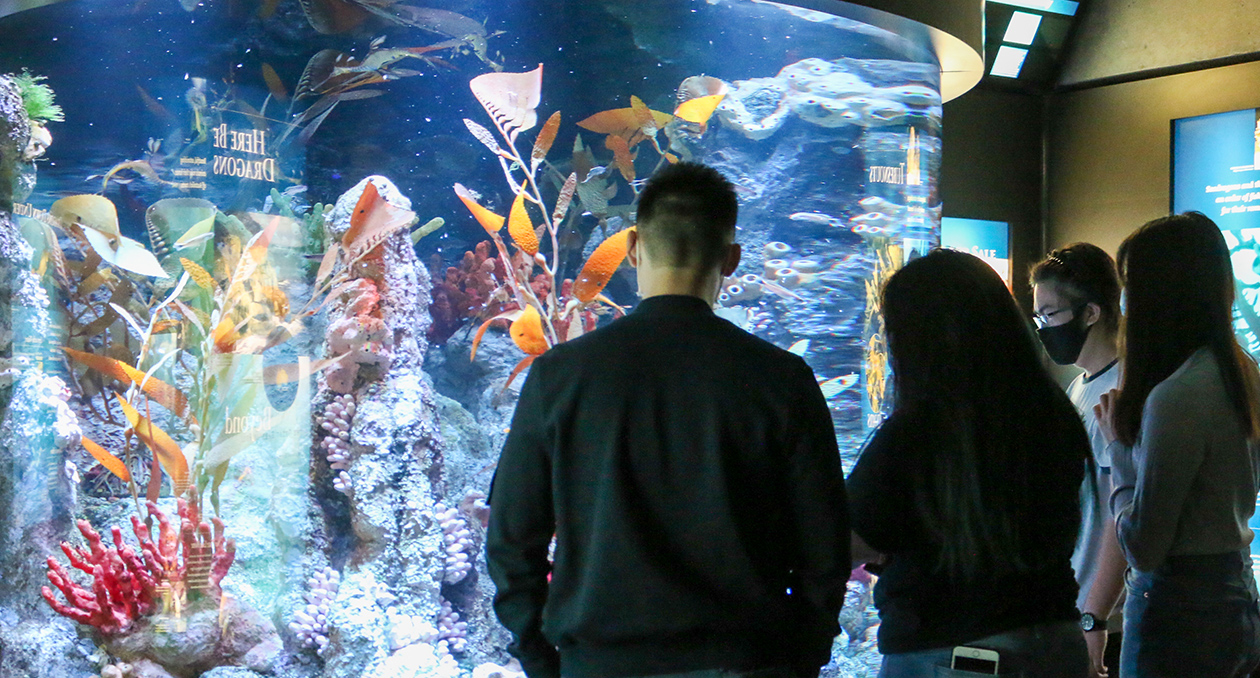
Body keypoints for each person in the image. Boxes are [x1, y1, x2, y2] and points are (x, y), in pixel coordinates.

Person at [486, 162, 850, 678]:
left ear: (632, 248)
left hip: (599, 663)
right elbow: (825, 550)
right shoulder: (782, 381)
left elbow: (510, 539)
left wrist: (541, 658)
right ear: (731, 260)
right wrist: (800, 658)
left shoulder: (559, 377)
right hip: (744, 662)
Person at [848, 248, 1091, 678]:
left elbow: (850, 539)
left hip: (952, 653)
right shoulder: (1054, 413)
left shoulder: (917, 431)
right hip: (1057, 642)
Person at [1094, 212, 1260, 678]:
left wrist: (1120, 453)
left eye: (1130, 282)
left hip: (1178, 615)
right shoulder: (1244, 372)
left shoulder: (1177, 396)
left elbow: (1144, 547)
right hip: (1237, 598)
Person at [1031, 244, 1128, 678]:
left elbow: (1118, 513)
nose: (1043, 328)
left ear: (1090, 313)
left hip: (1107, 618)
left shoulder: (1122, 389)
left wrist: (1095, 616)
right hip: (1078, 607)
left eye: (1049, 315)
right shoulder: (1078, 386)